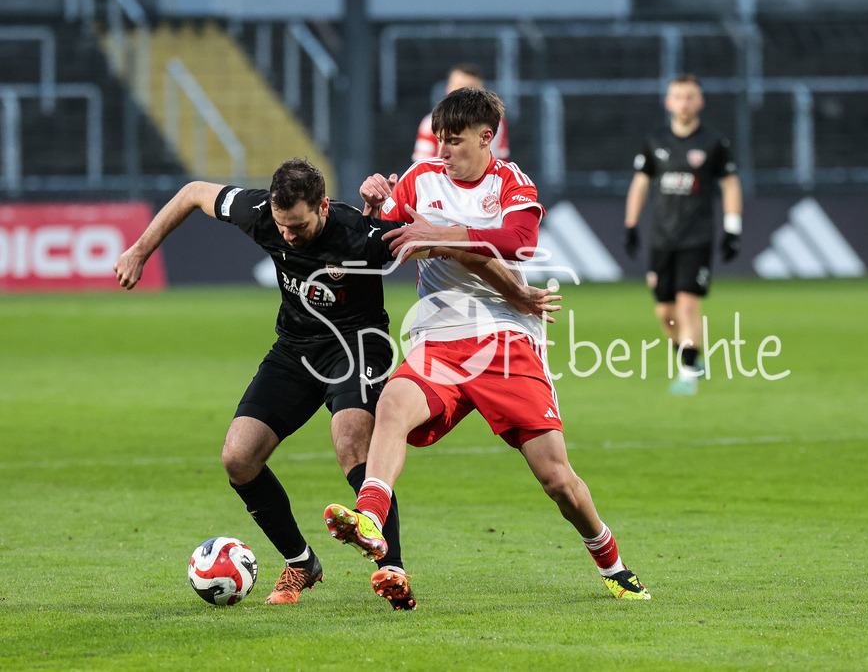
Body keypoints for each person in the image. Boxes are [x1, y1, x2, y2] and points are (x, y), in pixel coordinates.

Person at [113, 158, 556, 610]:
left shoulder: (364, 235)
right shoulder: (261, 213)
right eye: (282, 225)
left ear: (323, 206)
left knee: (351, 443)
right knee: (238, 458)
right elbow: (192, 192)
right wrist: (139, 251)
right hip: (294, 350)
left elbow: (454, 250)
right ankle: (301, 562)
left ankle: (393, 569)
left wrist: (516, 294)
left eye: (298, 226)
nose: (287, 235)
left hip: (356, 348)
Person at [324, 87, 650, 603]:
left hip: (506, 336)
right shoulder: (418, 179)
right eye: (440, 141)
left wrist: (440, 233)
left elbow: (518, 241)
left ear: (486, 138)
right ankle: (370, 515)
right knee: (391, 405)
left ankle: (609, 559)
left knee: (557, 480)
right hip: (438, 335)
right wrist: (372, 211)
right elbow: (382, 245)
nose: (444, 151)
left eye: (454, 142)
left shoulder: (510, 182)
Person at [623, 74, 744, 396]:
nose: (685, 103)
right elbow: (640, 183)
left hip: (697, 237)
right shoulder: (656, 141)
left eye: (691, 97)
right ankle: (689, 355)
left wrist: (732, 229)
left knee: (688, 305)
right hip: (662, 238)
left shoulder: (714, 142)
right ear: (669, 102)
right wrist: (631, 225)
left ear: (700, 102)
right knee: (665, 311)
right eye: (679, 97)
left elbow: (730, 184)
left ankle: (688, 371)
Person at [412, 63, 509, 163]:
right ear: (448, 88)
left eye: (470, 88)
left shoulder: (497, 122)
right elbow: (423, 166)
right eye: (458, 87)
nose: (463, 94)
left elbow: (501, 160)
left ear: (482, 90)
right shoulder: (429, 124)